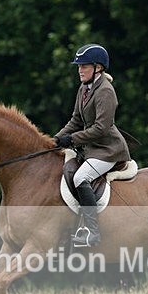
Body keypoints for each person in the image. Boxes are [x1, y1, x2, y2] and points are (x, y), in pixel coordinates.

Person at [53, 44, 131, 247]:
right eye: (78, 66)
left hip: (108, 150)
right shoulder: (84, 88)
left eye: (84, 66)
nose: (80, 70)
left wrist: (72, 140)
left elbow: (101, 128)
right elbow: (76, 120)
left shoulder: (105, 91)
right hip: (91, 148)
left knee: (81, 177)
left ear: (98, 68)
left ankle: (93, 232)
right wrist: (55, 139)